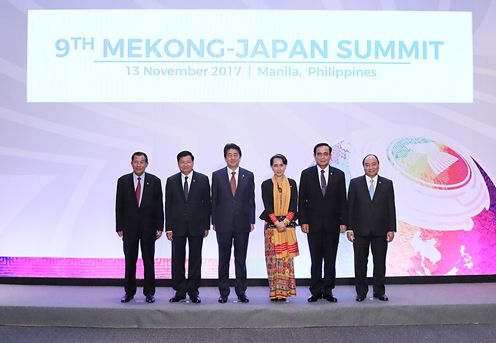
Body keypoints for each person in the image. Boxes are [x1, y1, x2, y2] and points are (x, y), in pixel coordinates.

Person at [298, 143, 347, 303]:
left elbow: (342, 200)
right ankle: (315, 291)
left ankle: (328, 291)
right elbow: (302, 200)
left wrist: (343, 222)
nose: (323, 156)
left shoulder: (339, 175)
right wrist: (303, 221)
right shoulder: (306, 174)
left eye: (326, 154)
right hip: (313, 225)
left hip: (333, 225)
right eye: (319, 154)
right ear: (315, 156)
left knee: (330, 260)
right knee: (316, 260)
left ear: (330, 156)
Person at [115, 152, 164, 303]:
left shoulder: (155, 181)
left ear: (146, 164)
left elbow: (158, 206)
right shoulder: (123, 181)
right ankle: (129, 292)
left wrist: (160, 226)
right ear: (131, 163)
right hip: (129, 228)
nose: (138, 165)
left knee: (148, 260)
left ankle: (149, 292)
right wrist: (119, 226)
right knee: (130, 260)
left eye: (142, 162)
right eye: (135, 162)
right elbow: (119, 205)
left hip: (149, 228)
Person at [346, 154, 396, 302]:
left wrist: (391, 228)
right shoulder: (355, 183)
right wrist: (350, 228)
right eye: (367, 165)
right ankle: (361, 292)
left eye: (373, 164)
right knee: (360, 263)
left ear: (378, 165)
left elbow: (391, 207)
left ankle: (379, 292)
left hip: (381, 231)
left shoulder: (387, 184)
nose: (371, 167)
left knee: (380, 263)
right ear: (363, 167)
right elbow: (350, 207)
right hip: (360, 231)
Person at [165, 151, 211, 304]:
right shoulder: (171, 181)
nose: (185, 165)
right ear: (178, 163)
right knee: (177, 259)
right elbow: (168, 205)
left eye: (188, 162)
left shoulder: (203, 179)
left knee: (195, 259)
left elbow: (207, 205)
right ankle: (179, 291)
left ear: (193, 162)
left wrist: (206, 225)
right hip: (177, 227)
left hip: (197, 226)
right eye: (182, 162)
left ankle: (193, 291)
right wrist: (168, 227)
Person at [212, 143, 255, 303]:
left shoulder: (248, 175)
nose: (232, 157)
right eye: (229, 155)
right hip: (223, 224)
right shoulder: (217, 175)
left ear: (240, 157)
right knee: (223, 259)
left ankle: (241, 292)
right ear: (225, 157)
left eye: (235, 154)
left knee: (240, 259)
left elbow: (251, 200)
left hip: (243, 224)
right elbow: (214, 200)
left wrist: (251, 220)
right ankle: (223, 293)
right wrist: (214, 221)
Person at [260, 154, 299, 302]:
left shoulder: (292, 183)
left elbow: (294, 204)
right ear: (272, 167)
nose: (278, 168)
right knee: (273, 260)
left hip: (288, 228)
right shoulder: (266, 184)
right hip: (271, 227)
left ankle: (285, 293)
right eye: (275, 165)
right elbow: (268, 205)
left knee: (286, 261)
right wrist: (277, 223)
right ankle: (275, 292)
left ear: (285, 166)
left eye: (281, 165)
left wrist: (286, 221)